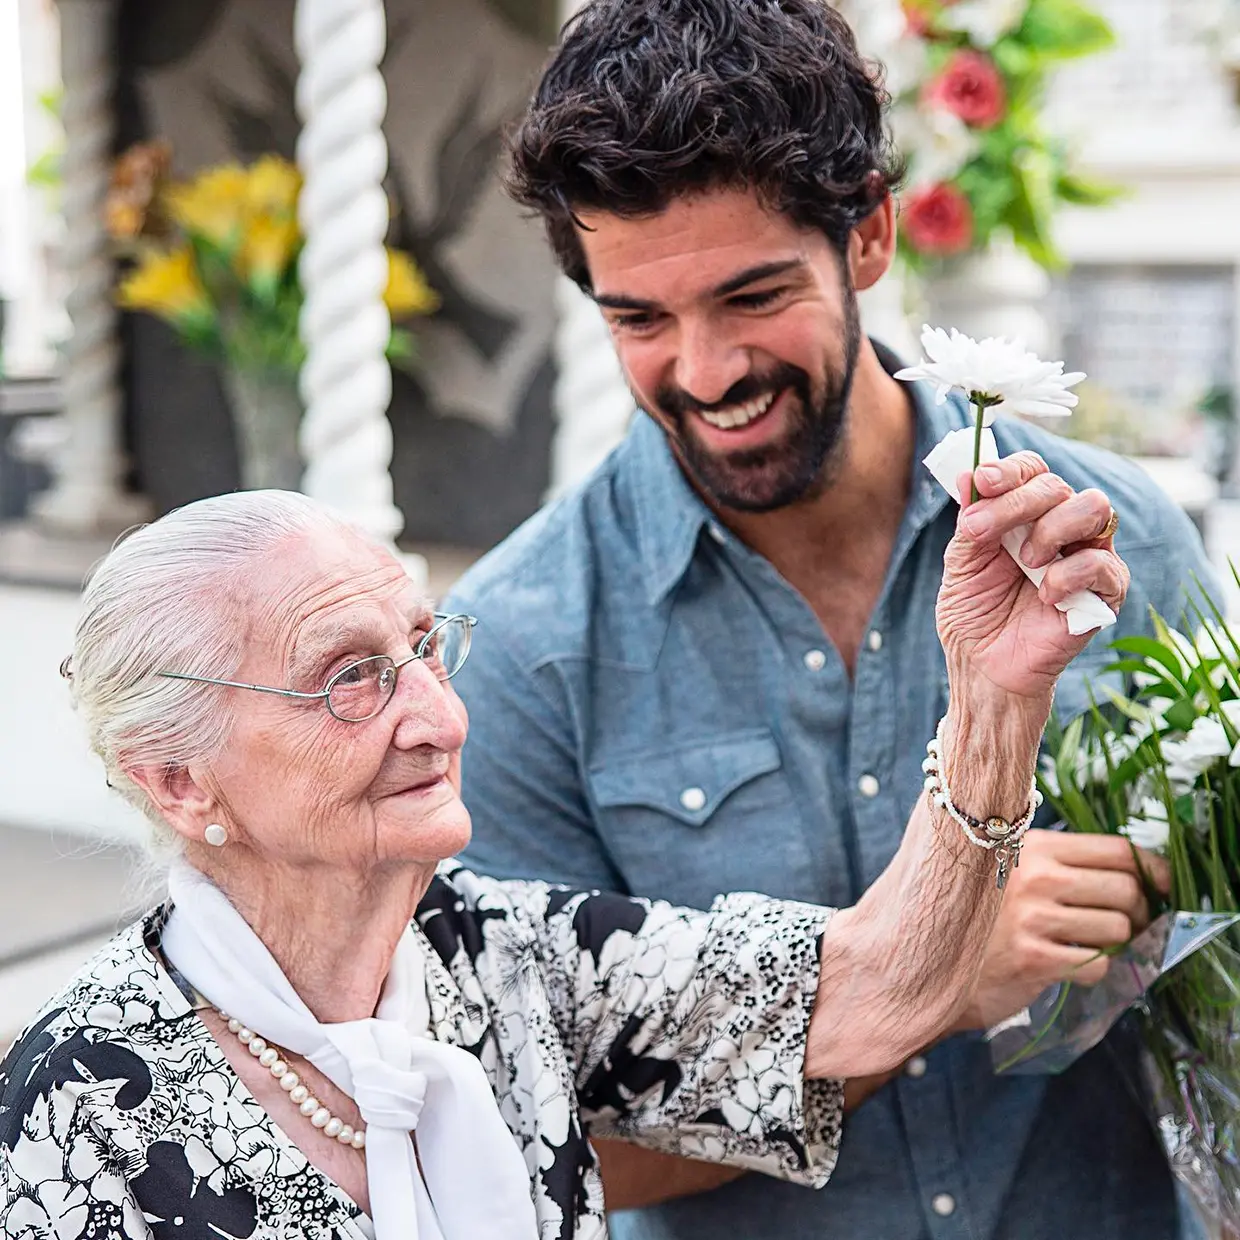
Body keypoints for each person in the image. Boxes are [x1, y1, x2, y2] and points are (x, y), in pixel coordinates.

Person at [441, 1, 1219, 1237]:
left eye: (751, 296)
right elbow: (546, 1149)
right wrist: (928, 976)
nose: (702, 370)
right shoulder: (521, 647)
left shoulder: (1108, 534)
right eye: (638, 318)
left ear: (866, 233)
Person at [1, 482, 1118, 1239]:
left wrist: (992, 699)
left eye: (424, 648)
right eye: (350, 675)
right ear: (177, 781)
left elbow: (873, 995)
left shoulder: (504, 954)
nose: (435, 715)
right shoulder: (85, 1099)